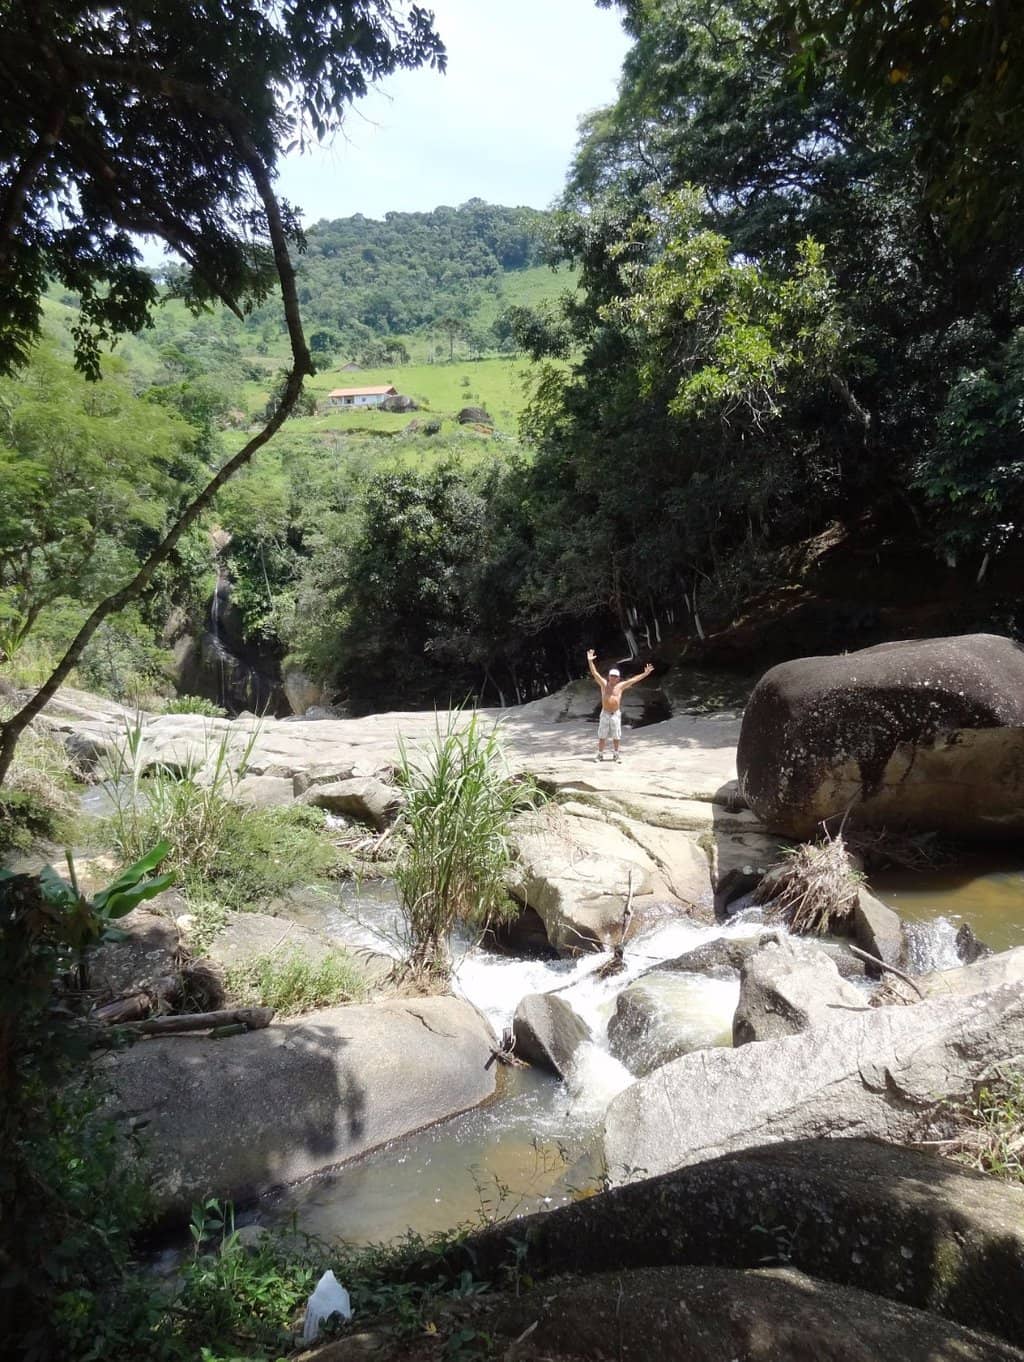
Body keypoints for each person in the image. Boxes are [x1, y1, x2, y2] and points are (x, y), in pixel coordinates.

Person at [586, 649, 654, 761]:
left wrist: (645, 673)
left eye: (615, 676)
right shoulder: (604, 684)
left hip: (615, 714)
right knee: (602, 735)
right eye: (611, 675)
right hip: (605, 713)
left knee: (616, 736)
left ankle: (616, 754)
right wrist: (590, 661)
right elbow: (595, 673)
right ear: (609, 676)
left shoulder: (621, 686)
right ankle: (600, 754)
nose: (613, 677)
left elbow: (634, 680)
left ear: (618, 678)